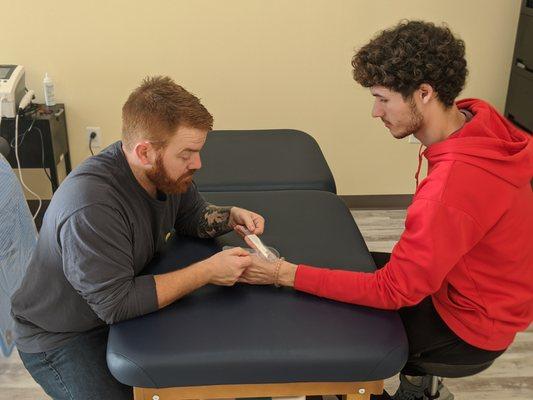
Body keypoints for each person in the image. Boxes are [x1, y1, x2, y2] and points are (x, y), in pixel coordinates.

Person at [239, 20, 533, 400]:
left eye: (383, 98)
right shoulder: (478, 119)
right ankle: (414, 385)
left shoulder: (451, 188)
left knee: (321, 334)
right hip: (476, 292)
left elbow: (395, 290)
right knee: (336, 270)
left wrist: (282, 273)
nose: (376, 112)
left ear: (424, 93)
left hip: (467, 328)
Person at [11, 76, 264, 400]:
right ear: (145, 152)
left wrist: (230, 215)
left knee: (230, 379)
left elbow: (191, 215)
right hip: (64, 335)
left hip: (123, 298)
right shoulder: (91, 207)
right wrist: (208, 271)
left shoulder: (161, 173)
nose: (197, 164)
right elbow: (116, 304)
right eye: (187, 154)